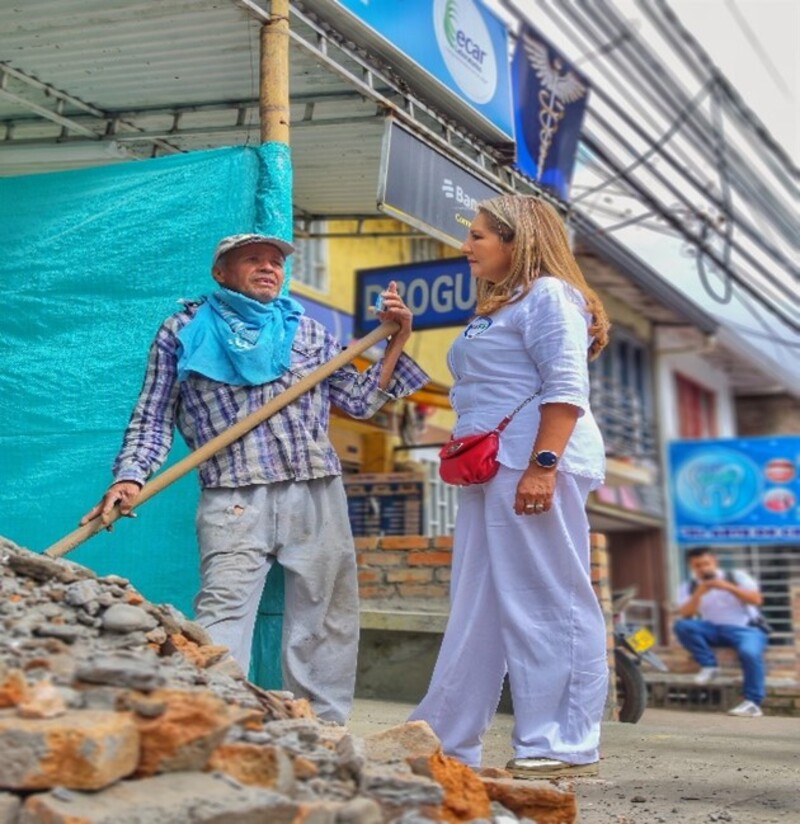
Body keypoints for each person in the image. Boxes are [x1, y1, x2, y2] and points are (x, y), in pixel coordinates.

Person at [81, 233, 428, 723]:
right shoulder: (183, 330)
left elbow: (360, 401)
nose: (268, 268)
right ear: (221, 273)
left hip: (315, 489)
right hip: (233, 495)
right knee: (222, 611)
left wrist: (397, 337)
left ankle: (323, 729)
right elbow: (153, 415)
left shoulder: (306, 331)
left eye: (275, 262)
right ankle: (218, 723)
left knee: (325, 614)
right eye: (253, 260)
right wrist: (130, 477)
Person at [409, 195, 611, 779]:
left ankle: (562, 740)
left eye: (478, 237)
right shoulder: (502, 307)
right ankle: (445, 737)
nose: (465, 247)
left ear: (517, 241)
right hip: (491, 467)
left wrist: (543, 465)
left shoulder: (550, 295)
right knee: (477, 603)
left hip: (533, 462)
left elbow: (567, 387)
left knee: (549, 597)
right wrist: (400, 333)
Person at [674, 547, 768, 718]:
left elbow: (756, 599)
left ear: (714, 562)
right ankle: (710, 666)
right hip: (713, 629)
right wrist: (699, 593)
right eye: (698, 566)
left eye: (706, 564)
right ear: (691, 567)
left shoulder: (736, 576)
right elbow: (686, 613)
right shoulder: (690, 586)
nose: (703, 568)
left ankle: (753, 703)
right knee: (683, 625)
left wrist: (727, 587)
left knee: (750, 652)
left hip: (746, 629)